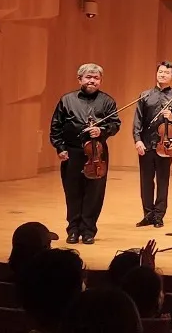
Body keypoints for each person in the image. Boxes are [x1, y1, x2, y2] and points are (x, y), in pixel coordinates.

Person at [49, 63, 120, 244]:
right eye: (88, 77)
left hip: (97, 153)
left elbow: (115, 124)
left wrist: (102, 131)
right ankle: (73, 230)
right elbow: (56, 127)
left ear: (100, 81)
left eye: (96, 78)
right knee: (72, 192)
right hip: (72, 152)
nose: (92, 81)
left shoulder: (108, 101)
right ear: (80, 79)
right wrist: (60, 147)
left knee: (94, 193)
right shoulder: (66, 100)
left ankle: (88, 230)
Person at [133, 61, 172, 228]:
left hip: (166, 145)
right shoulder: (145, 95)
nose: (162, 74)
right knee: (146, 181)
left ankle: (159, 216)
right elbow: (137, 120)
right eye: (160, 72)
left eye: (166, 72)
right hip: (146, 144)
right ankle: (148, 215)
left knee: (163, 181)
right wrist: (137, 140)